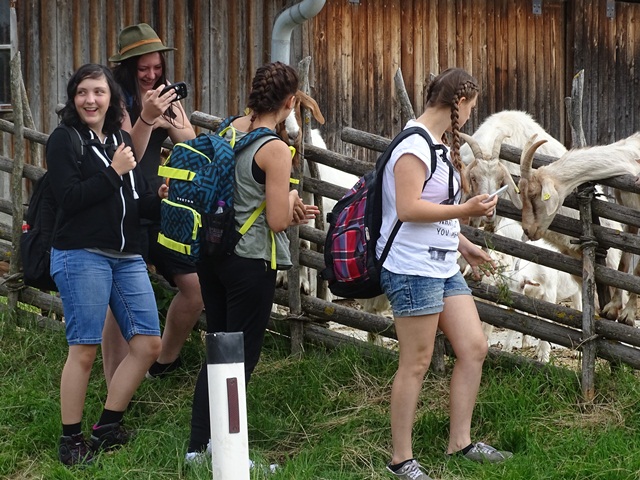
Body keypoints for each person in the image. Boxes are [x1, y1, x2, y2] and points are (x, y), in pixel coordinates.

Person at [377, 68, 512, 480]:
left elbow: (433, 212)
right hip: (412, 268)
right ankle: (401, 459)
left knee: (473, 347)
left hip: (441, 262)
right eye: (471, 106)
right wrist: (467, 211)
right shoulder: (414, 146)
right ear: (459, 103)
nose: (472, 114)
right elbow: (408, 208)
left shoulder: (436, 144)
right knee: (415, 362)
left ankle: (460, 443)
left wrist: (463, 243)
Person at [185, 61, 319, 461]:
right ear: (290, 102)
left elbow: (239, 191)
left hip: (213, 256)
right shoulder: (274, 148)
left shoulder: (228, 130)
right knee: (239, 362)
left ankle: (199, 447)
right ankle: (231, 455)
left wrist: (281, 202)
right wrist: (292, 204)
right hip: (249, 262)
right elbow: (277, 219)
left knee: (218, 350)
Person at [48, 63, 164, 466]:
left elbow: (136, 200)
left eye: (98, 91)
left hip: (127, 256)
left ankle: (106, 427)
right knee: (83, 349)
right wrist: (115, 172)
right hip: (81, 253)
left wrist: (161, 197)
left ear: (112, 98)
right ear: (73, 98)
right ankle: (71, 439)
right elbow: (70, 199)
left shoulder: (119, 138)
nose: (90, 100)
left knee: (149, 344)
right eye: (82, 92)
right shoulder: (64, 140)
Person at [103, 23, 202, 383]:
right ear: (128, 67)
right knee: (119, 295)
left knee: (194, 288)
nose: (151, 75)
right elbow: (129, 153)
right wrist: (146, 118)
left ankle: (164, 363)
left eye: (157, 67)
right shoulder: (113, 98)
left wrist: (170, 117)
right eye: (143, 68)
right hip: (122, 202)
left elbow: (189, 143)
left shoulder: (163, 96)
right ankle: (113, 379)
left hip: (157, 201)